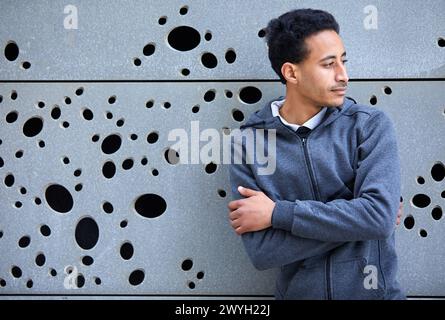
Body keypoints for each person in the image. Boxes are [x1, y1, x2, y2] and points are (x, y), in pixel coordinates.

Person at [228, 8, 405, 299]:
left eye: (343, 61)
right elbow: (263, 253)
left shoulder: (369, 126)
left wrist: (278, 214)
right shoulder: (247, 144)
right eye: (328, 64)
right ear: (291, 72)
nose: (343, 76)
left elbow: (379, 218)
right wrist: (358, 218)